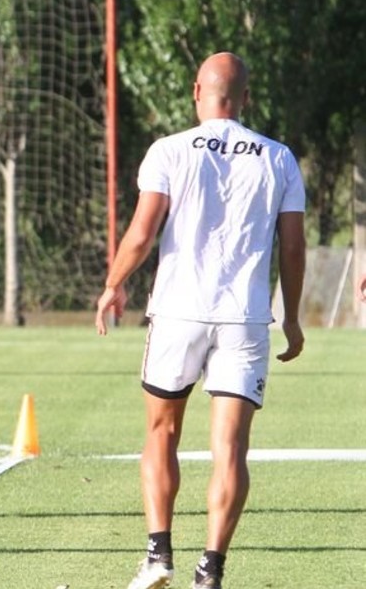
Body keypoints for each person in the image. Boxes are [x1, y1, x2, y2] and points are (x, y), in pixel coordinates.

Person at [95, 52, 305, 589]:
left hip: (177, 314)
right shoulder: (278, 157)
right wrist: (294, 317)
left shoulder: (170, 150)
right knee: (231, 449)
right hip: (245, 319)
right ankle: (210, 569)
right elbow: (293, 246)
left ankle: (158, 554)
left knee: (161, 432)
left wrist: (114, 285)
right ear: (246, 99)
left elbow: (142, 233)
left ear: (197, 91)